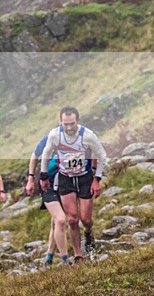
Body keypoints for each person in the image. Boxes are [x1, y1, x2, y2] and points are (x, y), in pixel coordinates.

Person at [39, 106, 107, 262]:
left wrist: (97, 179)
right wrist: (43, 176)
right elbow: (46, 154)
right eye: (65, 124)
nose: (69, 128)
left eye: (72, 124)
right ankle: (78, 255)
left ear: (78, 121)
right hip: (65, 178)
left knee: (86, 219)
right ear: (60, 121)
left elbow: (102, 155)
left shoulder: (88, 135)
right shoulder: (55, 135)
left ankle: (88, 234)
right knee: (72, 219)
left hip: (84, 178)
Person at [26, 129, 93, 265]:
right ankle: (65, 259)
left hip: (64, 184)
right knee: (61, 220)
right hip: (48, 184)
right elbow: (34, 156)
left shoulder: (80, 139)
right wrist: (30, 178)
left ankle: (49, 257)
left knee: (56, 222)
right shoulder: (50, 138)